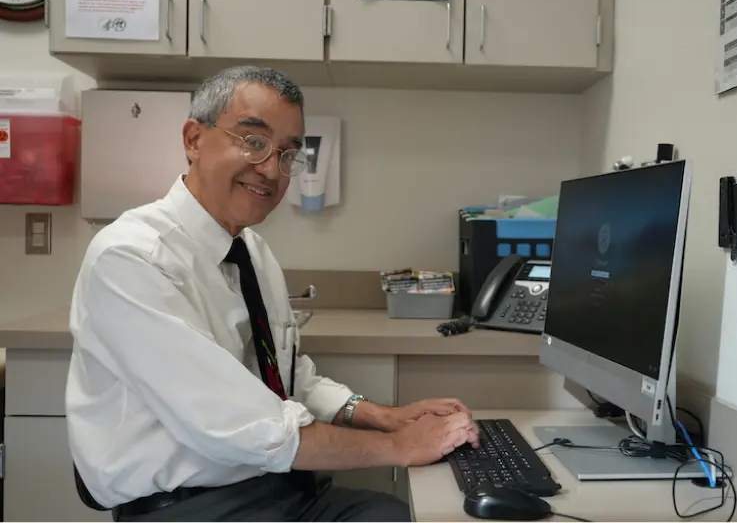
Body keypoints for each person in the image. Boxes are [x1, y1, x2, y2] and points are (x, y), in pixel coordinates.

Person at [66, 65, 480, 522]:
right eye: (253, 141)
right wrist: (399, 447)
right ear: (193, 139)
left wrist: (383, 416)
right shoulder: (131, 258)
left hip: (285, 489)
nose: (271, 169)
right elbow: (241, 424)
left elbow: (285, 379)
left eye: (287, 154)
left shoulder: (252, 253)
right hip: (195, 506)